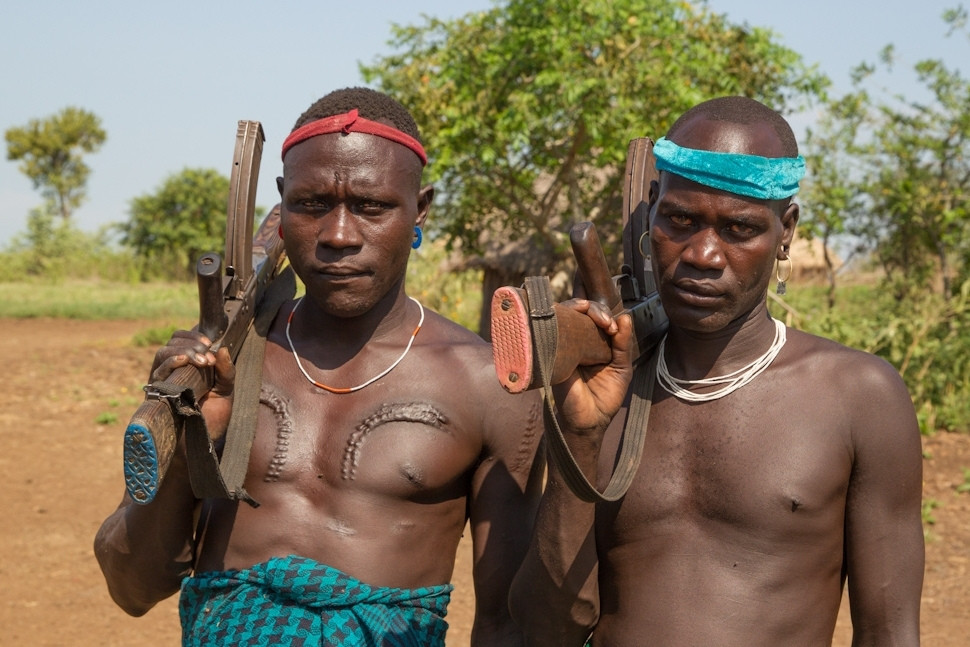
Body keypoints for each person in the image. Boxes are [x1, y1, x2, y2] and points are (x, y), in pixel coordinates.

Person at [95, 87, 544, 646]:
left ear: (420, 209)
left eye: (371, 206)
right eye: (311, 205)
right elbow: (130, 588)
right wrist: (193, 450)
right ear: (282, 205)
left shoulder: (485, 385)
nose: (338, 235)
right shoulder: (225, 363)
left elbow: (509, 623)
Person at [508, 96, 924, 646]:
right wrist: (581, 438)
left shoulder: (858, 397)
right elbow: (545, 631)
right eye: (680, 220)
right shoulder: (606, 390)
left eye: (739, 229)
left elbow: (889, 632)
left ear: (786, 230)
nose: (703, 253)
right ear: (652, 208)